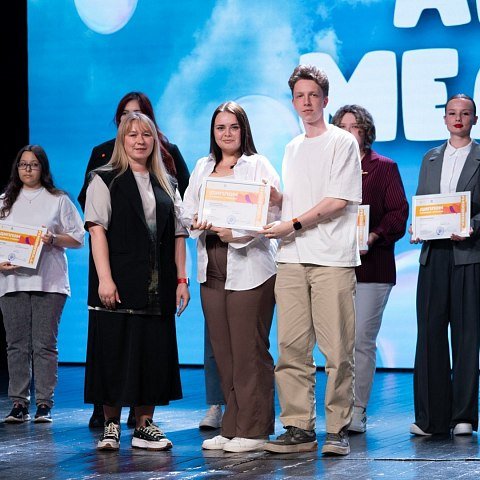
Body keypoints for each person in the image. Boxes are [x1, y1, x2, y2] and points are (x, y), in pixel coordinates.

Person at [77, 91, 194, 429]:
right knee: (114, 351)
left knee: (152, 354)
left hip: (157, 284)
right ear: (121, 139)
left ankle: (144, 425)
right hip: (119, 280)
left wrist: (182, 280)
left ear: (155, 140)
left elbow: (179, 235)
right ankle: (111, 425)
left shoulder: (167, 182)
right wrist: (105, 279)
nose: (140, 140)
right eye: (132, 134)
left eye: (146, 134)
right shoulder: (103, 178)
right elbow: (97, 231)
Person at [261, 65, 362, 456]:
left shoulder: (342, 142)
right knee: (291, 348)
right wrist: (275, 202)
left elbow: (337, 200)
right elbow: (297, 199)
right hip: (291, 258)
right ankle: (298, 427)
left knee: (337, 350)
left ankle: (337, 429)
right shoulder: (292, 147)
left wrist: (292, 223)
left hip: (331, 258)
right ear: (292, 102)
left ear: (325, 99)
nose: (306, 102)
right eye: (299, 96)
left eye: (313, 95)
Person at [182, 101, 280, 453]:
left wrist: (234, 233)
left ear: (244, 130)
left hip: (251, 268)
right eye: (220, 127)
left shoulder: (258, 165)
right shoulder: (202, 166)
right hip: (212, 268)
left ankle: (254, 430)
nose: (227, 133)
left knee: (248, 350)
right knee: (223, 352)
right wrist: (198, 221)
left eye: (233, 127)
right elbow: (186, 211)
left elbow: (271, 214)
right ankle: (232, 425)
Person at [331, 105, 409, 433]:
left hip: (372, 267)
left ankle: (357, 408)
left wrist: (373, 236)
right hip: (334, 265)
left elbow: (398, 213)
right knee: (338, 344)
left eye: (355, 126)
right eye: (342, 126)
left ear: (366, 132)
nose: (348, 132)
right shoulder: (329, 168)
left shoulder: (384, 168)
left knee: (361, 340)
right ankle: (337, 408)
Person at [410, 94, 480, 437]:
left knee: (466, 335)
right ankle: (430, 418)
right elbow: (424, 203)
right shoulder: (431, 158)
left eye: (465, 113)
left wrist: (472, 226)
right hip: (433, 255)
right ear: (445, 119)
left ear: (474, 119)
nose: (458, 118)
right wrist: (416, 226)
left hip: (468, 254)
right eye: (452, 113)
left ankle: (462, 415)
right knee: (429, 333)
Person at [0, 145, 84, 423]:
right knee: (16, 345)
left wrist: (54, 239)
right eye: (23, 164)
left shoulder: (58, 200)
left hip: (49, 281)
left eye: (33, 164)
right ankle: (19, 403)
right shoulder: (4, 201)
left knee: (44, 345)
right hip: (11, 281)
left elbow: (78, 237)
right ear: (17, 168)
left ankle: (45, 404)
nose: (28, 169)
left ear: (43, 168)